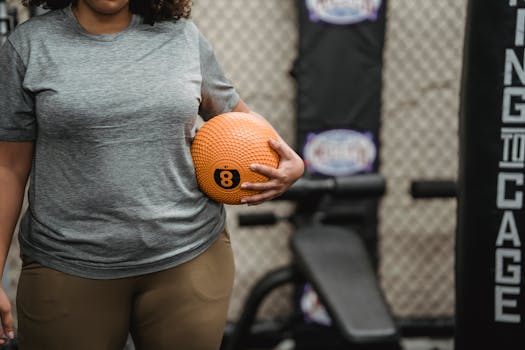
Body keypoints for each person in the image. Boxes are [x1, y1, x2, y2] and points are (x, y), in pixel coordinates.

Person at [0, 0, 305, 348]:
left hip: (189, 258)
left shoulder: (184, 38)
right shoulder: (29, 46)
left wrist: (290, 159)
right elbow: (8, 167)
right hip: (68, 265)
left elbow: (238, 120)